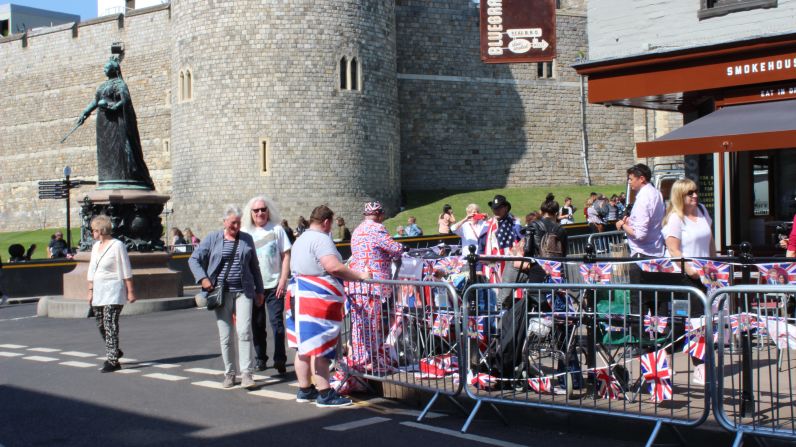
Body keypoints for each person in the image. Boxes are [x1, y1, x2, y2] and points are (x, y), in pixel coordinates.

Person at [289, 205, 370, 407]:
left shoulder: (300, 239)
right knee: (321, 345)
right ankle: (325, 393)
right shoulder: (321, 239)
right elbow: (333, 266)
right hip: (316, 297)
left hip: (298, 295)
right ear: (326, 222)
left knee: (303, 347)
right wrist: (359, 276)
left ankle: (304, 389)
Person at [189, 205, 264, 390]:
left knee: (245, 331)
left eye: (239, 223)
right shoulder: (213, 238)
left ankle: (247, 374)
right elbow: (194, 259)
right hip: (221, 293)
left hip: (244, 291)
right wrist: (203, 279)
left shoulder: (247, 239)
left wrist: (260, 291)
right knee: (225, 335)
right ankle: (230, 373)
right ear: (224, 222)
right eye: (233, 223)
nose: (236, 226)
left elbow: (254, 267)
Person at [76, 56, 154, 190]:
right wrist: (85, 112)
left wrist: (113, 106)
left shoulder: (120, 84)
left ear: (113, 70)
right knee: (106, 151)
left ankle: (125, 177)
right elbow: (96, 101)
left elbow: (125, 101)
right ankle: (110, 178)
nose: (104, 69)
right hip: (104, 124)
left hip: (117, 123)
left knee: (120, 149)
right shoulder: (102, 86)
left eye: (106, 68)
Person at [345, 201, 403, 372]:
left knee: (358, 324)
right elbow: (394, 248)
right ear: (380, 214)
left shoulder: (357, 230)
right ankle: (369, 361)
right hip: (372, 285)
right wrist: (401, 248)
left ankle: (358, 358)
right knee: (370, 323)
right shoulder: (377, 228)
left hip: (357, 283)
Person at [242, 195, 292, 374]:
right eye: (256, 210)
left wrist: (283, 280)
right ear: (251, 213)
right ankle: (260, 358)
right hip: (254, 287)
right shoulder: (245, 233)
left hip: (274, 285)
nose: (260, 213)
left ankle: (280, 358)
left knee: (277, 323)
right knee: (258, 325)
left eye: (263, 209)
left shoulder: (277, 230)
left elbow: (286, 255)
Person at [87, 215, 136, 373]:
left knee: (110, 324)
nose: (92, 233)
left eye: (93, 230)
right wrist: (90, 290)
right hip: (99, 290)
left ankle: (113, 360)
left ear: (101, 230)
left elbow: (126, 268)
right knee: (101, 324)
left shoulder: (117, 245)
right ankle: (115, 349)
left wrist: (131, 291)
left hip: (113, 290)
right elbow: (92, 269)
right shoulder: (95, 247)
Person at [663, 179, 716, 279]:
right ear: (680, 196)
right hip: (683, 275)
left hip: (705, 273)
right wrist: (691, 271)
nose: (695, 195)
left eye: (696, 191)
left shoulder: (702, 210)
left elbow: (711, 241)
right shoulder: (676, 217)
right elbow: (673, 249)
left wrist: (713, 264)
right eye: (690, 193)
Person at [617, 164, 666, 257]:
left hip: (643, 253)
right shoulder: (656, 193)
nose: (629, 182)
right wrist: (631, 221)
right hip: (657, 249)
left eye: (631, 179)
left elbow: (639, 234)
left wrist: (622, 224)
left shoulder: (643, 199)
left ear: (641, 179)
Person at [483, 194, 522, 283]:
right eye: (494, 208)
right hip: (493, 265)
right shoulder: (487, 225)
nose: (496, 211)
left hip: (511, 264)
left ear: (505, 208)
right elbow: (482, 246)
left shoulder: (515, 224)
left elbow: (521, 242)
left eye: (499, 208)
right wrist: (479, 268)